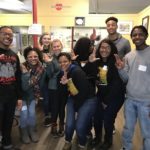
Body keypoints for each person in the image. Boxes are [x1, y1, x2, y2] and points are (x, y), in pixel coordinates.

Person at [115, 25, 150, 150]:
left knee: (147, 133)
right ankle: (126, 147)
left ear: (146, 36)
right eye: (134, 35)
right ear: (131, 37)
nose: (137, 37)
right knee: (128, 128)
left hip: (147, 102)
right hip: (130, 100)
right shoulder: (129, 56)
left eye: (140, 34)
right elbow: (126, 78)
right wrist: (120, 70)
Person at [90, 39, 125, 150]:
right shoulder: (97, 61)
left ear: (112, 49)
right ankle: (98, 138)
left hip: (115, 96)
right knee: (96, 117)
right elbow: (92, 76)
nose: (104, 49)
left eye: (107, 47)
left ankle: (108, 141)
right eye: (102, 47)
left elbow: (117, 85)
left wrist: (106, 101)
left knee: (108, 119)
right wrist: (91, 65)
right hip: (101, 94)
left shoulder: (115, 62)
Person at [58, 52, 97, 150]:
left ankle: (82, 144)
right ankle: (68, 141)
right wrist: (64, 84)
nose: (63, 64)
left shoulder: (77, 72)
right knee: (69, 124)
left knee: (79, 126)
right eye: (60, 62)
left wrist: (76, 108)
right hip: (74, 97)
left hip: (88, 99)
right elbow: (66, 93)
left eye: (65, 61)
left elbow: (83, 93)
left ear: (70, 61)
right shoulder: (62, 72)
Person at [0, 26, 22, 150]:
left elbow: (17, 77)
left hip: (11, 95)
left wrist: (19, 96)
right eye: (5, 34)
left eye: (10, 35)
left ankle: (7, 144)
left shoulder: (14, 55)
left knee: (8, 121)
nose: (8, 37)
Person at [19, 46, 44, 144]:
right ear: (26, 57)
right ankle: (24, 132)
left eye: (35, 56)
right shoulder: (21, 67)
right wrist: (25, 74)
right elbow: (24, 87)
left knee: (32, 114)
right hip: (22, 97)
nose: (33, 58)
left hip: (33, 96)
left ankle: (32, 130)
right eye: (30, 56)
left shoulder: (41, 68)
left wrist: (38, 96)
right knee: (24, 115)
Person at [43, 39, 68, 137]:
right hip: (53, 87)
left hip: (64, 86)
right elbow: (49, 75)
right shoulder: (50, 59)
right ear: (51, 48)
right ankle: (54, 128)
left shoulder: (65, 57)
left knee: (62, 108)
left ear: (61, 46)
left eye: (58, 46)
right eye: (54, 46)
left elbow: (67, 69)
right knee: (54, 108)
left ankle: (61, 126)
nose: (56, 48)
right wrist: (49, 63)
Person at [38, 33, 52, 127]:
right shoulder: (38, 51)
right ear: (41, 40)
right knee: (46, 100)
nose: (46, 40)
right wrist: (40, 53)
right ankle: (47, 116)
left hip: (53, 79)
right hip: (43, 79)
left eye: (48, 38)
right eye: (45, 38)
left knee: (53, 99)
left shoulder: (53, 50)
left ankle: (53, 115)